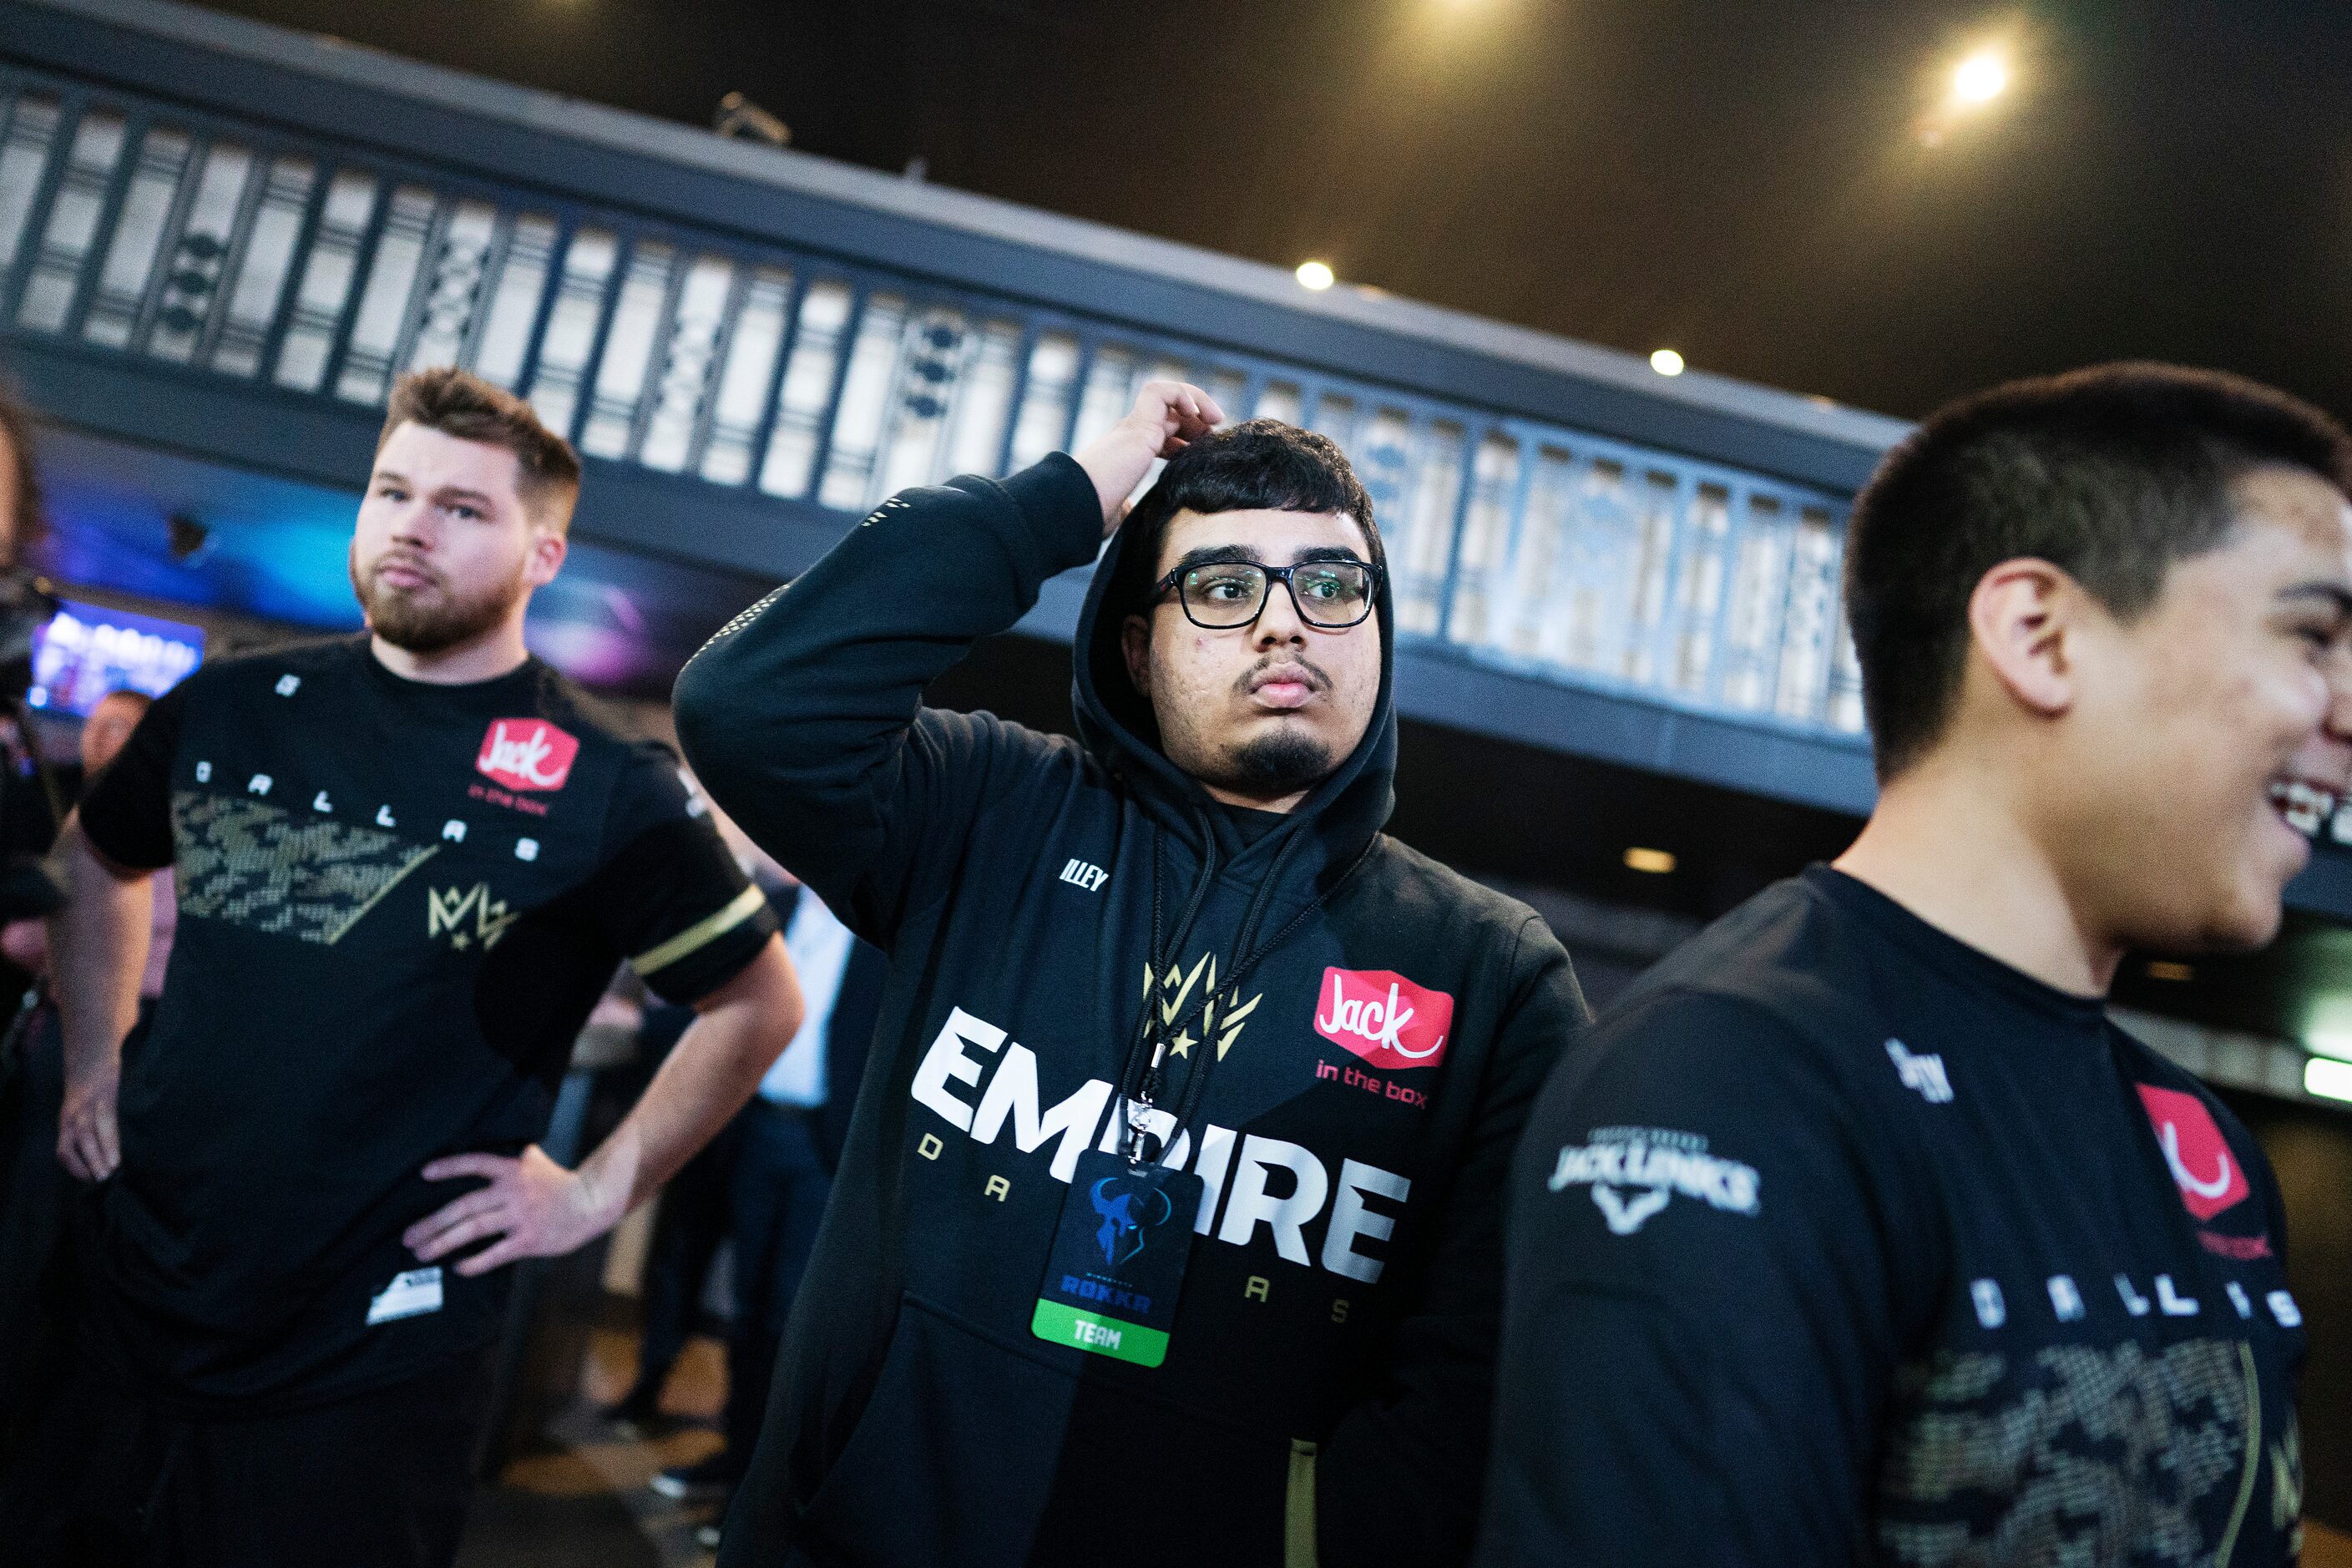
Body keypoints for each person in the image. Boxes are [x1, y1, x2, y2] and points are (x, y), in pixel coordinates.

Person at [675, 381, 1588, 1566]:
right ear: (1136, 645)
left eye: (1330, 584)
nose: (1284, 623)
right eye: (1221, 586)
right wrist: (1070, 495)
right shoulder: (989, 810)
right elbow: (748, 702)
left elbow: (1486, 1383)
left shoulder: (1489, 970)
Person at [1479, 363, 2350, 1567]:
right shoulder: (1727, 1077)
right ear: (2039, 635)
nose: (2343, 705)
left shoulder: (2200, 1146)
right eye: (2311, 633)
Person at [0, 366, 807, 1568]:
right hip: (129, 1296)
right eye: (393, 491)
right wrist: (92, 1061)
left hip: (369, 1353)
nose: (411, 527)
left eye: (463, 508)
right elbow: (99, 859)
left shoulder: (601, 782)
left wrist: (592, 1190)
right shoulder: (233, 706)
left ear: (544, 553)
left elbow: (758, 1001)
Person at [651, 871, 886, 1516]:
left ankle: (764, 1489)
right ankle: (734, 1453)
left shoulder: (882, 924)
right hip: (755, 1129)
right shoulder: (771, 910)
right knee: (746, 1306)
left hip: (827, 1145)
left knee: (795, 1317)